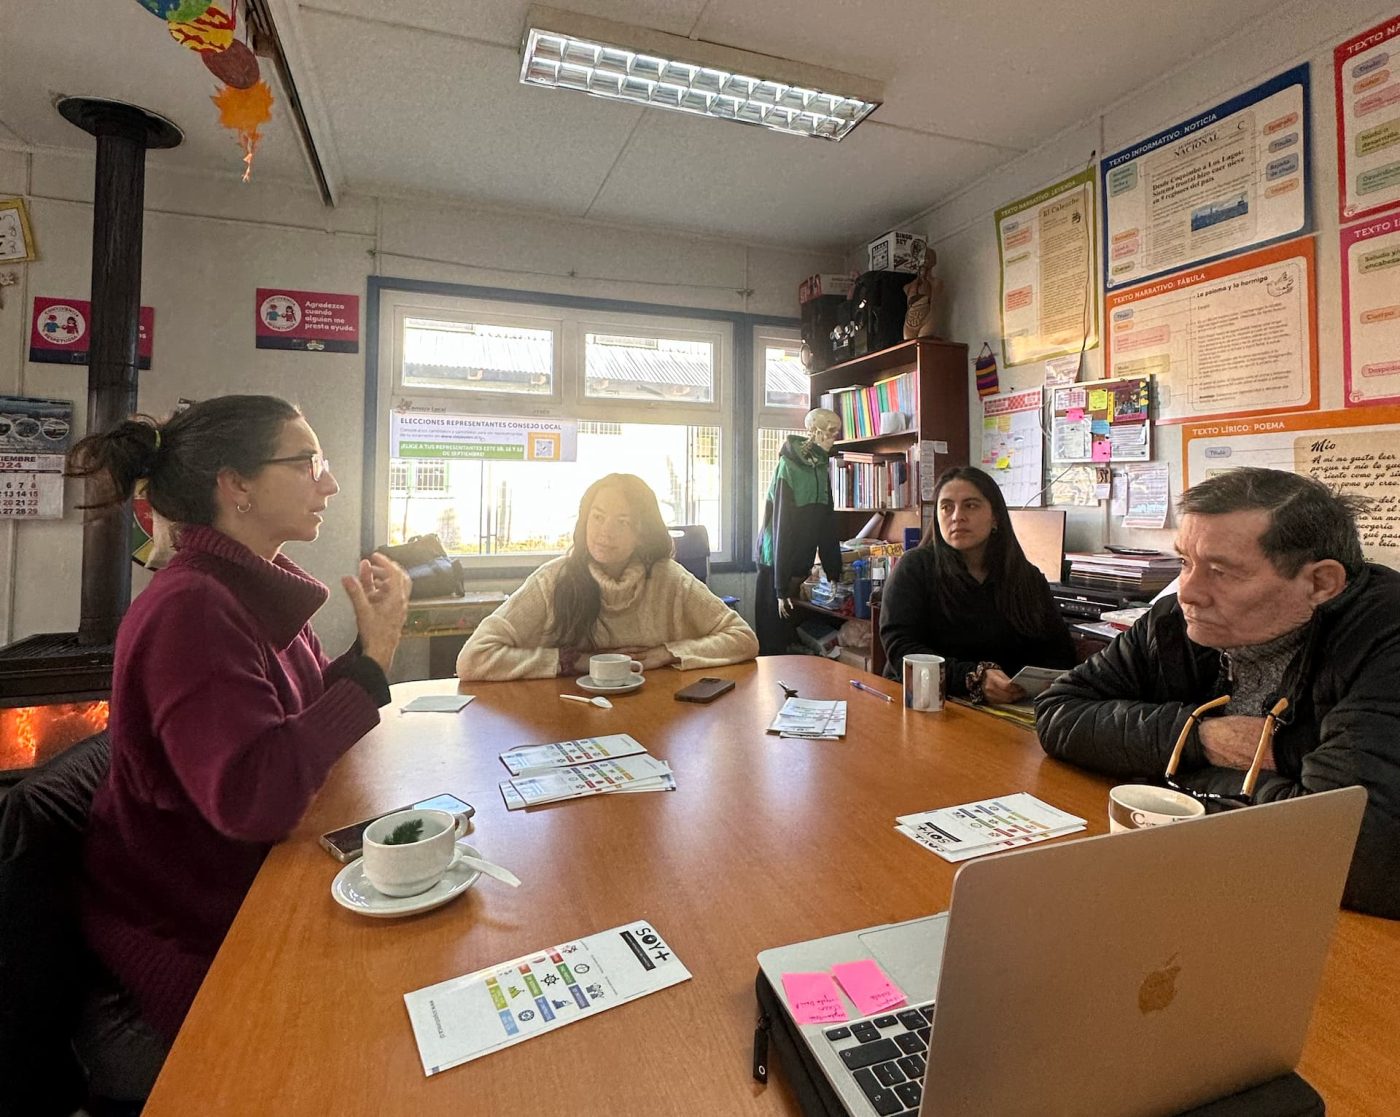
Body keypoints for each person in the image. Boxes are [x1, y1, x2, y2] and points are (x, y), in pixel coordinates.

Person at [63, 395, 411, 1097]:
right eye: (308, 460)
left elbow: (297, 717)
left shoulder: (247, 588)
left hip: (249, 900)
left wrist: (366, 654)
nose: (329, 482)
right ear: (236, 485)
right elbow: (255, 796)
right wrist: (371, 666)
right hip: (194, 944)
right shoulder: (192, 608)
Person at [1036, 467, 1400, 919]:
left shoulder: (1386, 638)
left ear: (1320, 583)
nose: (1188, 591)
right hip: (1200, 882)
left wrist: (1166, 779)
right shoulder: (1174, 623)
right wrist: (1201, 738)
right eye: (1186, 561)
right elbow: (1057, 713)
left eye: (1221, 572)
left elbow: (1347, 847)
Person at [456, 473, 757, 680]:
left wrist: (668, 653)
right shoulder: (553, 579)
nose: (605, 532)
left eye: (622, 522)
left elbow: (742, 638)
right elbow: (474, 659)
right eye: (597, 517)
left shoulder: (668, 578)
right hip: (564, 720)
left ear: (642, 533)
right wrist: (572, 662)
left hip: (652, 717)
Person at [880, 465, 1075, 702]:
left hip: (1009, 710)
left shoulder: (1026, 578)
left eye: (970, 505)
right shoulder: (915, 568)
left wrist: (1038, 682)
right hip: (928, 702)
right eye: (946, 507)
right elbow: (901, 650)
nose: (957, 516)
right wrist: (973, 678)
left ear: (995, 517)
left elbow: (1060, 652)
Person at [755, 407, 844, 655]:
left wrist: (833, 569)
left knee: (791, 636)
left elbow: (827, 523)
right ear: (814, 431)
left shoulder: (821, 469)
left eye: (836, 432)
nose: (834, 437)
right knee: (773, 640)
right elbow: (783, 527)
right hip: (775, 562)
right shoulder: (788, 468)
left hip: (800, 564)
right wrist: (781, 588)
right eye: (829, 431)